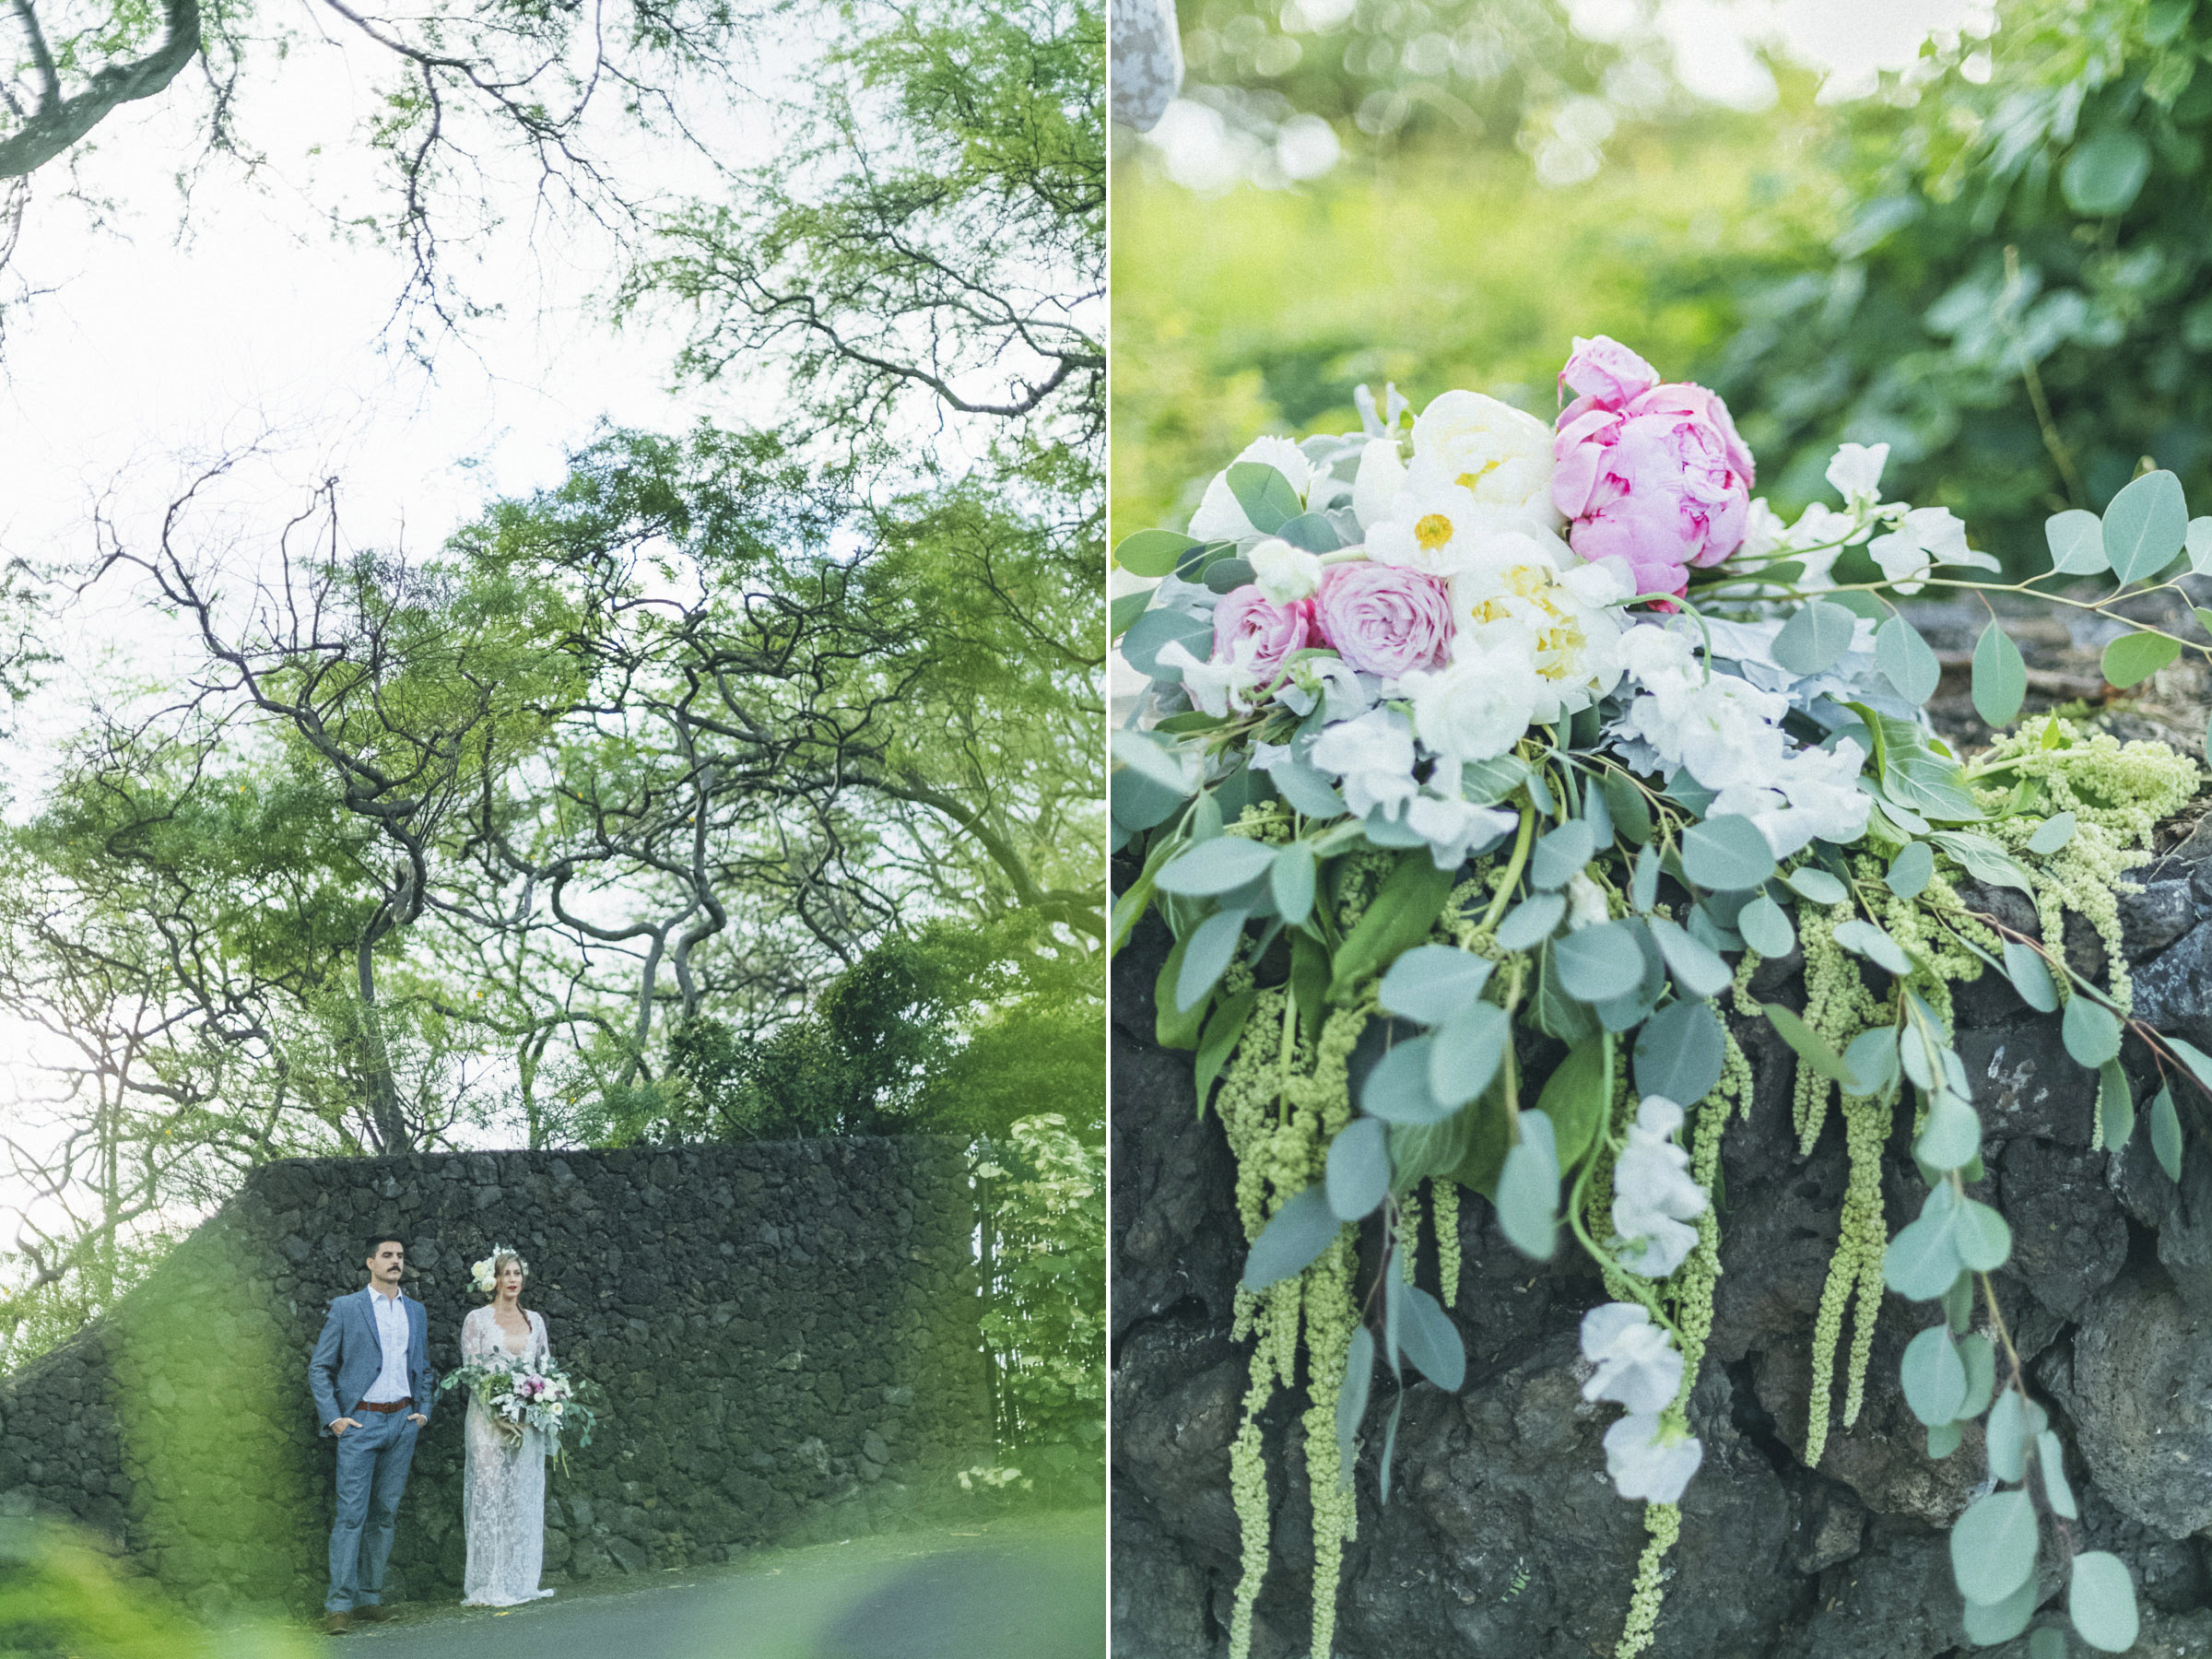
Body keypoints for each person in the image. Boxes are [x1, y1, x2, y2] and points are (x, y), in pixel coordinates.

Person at [308, 1233, 436, 1635]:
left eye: (400, 1255)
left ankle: (369, 1599)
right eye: (387, 1255)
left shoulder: (416, 1311)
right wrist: (335, 1419)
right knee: (351, 1516)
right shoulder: (347, 1308)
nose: (395, 1261)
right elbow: (319, 1367)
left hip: (402, 1423)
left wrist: (423, 1412)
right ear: (370, 1262)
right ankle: (339, 1605)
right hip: (359, 1425)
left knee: (384, 1514)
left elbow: (424, 1367)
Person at [459, 1246, 557, 1607]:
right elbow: (471, 1371)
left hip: (524, 1422)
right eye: (506, 1274)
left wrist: (539, 1401)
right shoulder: (477, 1320)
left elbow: (544, 1368)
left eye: (517, 1273)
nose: (512, 1280)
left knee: (520, 1497)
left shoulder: (535, 1320)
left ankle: (518, 1581)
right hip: (487, 1420)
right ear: (493, 1280)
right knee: (489, 1497)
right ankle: (487, 1585)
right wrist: (495, 1411)